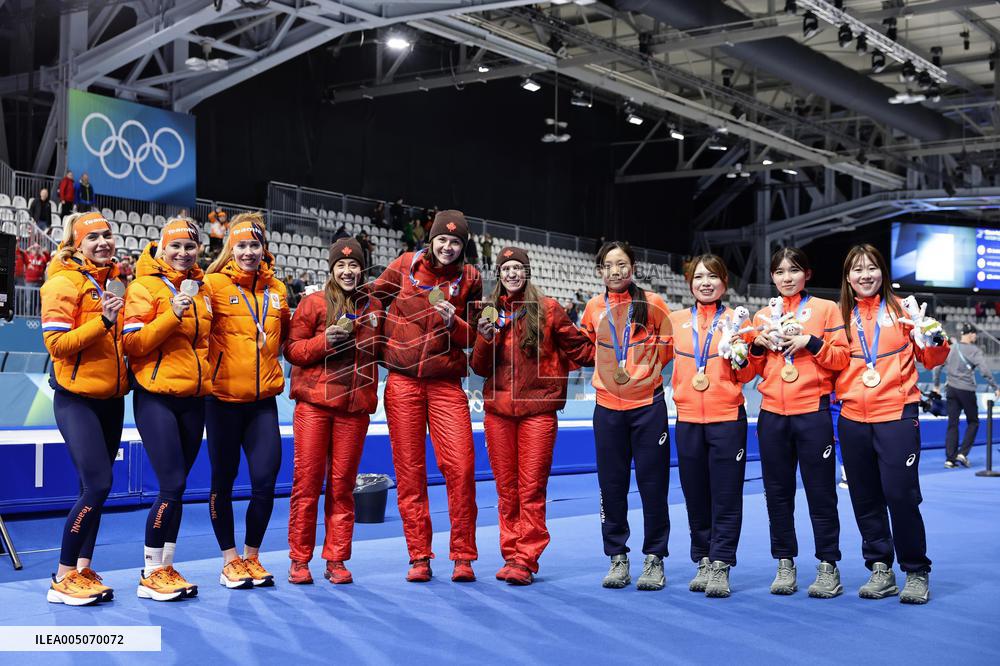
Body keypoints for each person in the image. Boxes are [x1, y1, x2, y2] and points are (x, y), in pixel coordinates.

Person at [370, 210, 482, 583]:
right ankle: (419, 555)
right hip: (403, 384)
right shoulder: (404, 265)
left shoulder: (471, 279)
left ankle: (463, 554)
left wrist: (456, 322)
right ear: (430, 240)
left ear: (463, 246)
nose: (448, 247)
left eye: (455, 242)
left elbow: (475, 339)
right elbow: (372, 301)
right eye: (442, 240)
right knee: (409, 471)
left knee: (462, 468)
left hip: (446, 383)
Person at [472, 247, 594, 585]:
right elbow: (479, 367)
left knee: (531, 487)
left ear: (527, 272)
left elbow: (581, 350)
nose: (511, 274)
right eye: (506, 268)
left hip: (538, 411)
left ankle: (526, 558)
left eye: (517, 268)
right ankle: (510, 553)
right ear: (499, 274)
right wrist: (483, 339)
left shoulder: (549, 309)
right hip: (498, 412)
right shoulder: (488, 311)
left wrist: (616, 350)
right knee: (506, 489)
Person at [836, 244, 949, 604]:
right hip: (852, 418)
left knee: (900, 495)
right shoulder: (840, 316)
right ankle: (880, 568)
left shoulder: (904, 310)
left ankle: (916, 570)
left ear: (882, 271)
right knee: (864, 497)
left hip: (897, 415)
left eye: (871, 267)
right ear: (848, 277)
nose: (865, 274)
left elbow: (931, 359)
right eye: (857, 269)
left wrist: (932, 335)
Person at [748, 247, 850, 598]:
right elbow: (749, 371)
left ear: (807, 273)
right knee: (777, 495)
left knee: (821, 494)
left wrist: (812, 341)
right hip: (772, 414)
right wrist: (756, 348)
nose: (786, 277)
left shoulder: (826, 309)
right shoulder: (762, 315)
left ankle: (827, 565)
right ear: (773, 277)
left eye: (793, 270)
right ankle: (785, 562)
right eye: (779, 271)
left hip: (813, 412)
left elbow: (841, 359)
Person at [123, 219, 213, 602]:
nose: (182, 253)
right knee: (171, 485)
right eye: (175, 246)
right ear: (160, 247)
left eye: (190, 247)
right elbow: (134, 344)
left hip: (194, 398)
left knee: (178, 488)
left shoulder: (204, 288)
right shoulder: (142, 286)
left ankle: (167, 565)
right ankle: (150, 571)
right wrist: (172, 314)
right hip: (156, 397)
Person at [41, 211, 128, 606]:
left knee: (90, 488)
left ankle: (82, 568)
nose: (103, 242)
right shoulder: (61, 281)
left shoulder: (113, 282)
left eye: (107, 235)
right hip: (76, 401)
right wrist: (104, 322)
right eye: (93, 237)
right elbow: (57, 346)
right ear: (77, 245)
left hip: (111, 401)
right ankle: (62, 576)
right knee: (99, 485)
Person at [285, 238, 384, 585]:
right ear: (331, 269)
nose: (347, 270)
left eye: (354, 265)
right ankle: (299, 559)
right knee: (307, 483)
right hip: (314, 406)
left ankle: (337, 558)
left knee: (342, 487)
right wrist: (324, 342)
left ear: (362, 269)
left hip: (354, 410)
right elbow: (293, 350)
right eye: (341, 266)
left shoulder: (374, 308)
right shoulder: (312, 303)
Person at [579, 241, 673, 591]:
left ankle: (655, 558)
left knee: (653, 485)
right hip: (607, 408)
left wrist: (642, 376)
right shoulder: (593, 307)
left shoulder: (653, 304)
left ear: (632, 266)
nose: (615, 271)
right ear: (600, 270)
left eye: (621, 264)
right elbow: (587, 347)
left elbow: (666, 349)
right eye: (608, 265)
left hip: (648, 408)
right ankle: (617, 556)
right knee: (611, 486)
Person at [204, 213, 291, 590]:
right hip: (222, 400)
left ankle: (252, 557)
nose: (249, 252)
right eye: (241, 245)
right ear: (230, 249)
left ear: (264, 248)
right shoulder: (211, 285)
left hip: (262, 403)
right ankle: (229, 560)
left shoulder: (278, 291)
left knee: (265, 481)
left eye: (255, 245)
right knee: (222, 483)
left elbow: (284, 340)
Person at [668, 254, 757, 598]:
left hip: (727, 418)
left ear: (725, 283)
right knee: (695, 494)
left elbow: (748, 373)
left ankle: (721, 563)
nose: (705, 283)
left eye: (713, 277)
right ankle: (702, 559)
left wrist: (740, 356)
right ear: (689, 282)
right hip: (688, 417)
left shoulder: (737, 320)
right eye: (699, 277)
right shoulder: (676, 320)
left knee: (726, 494)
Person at [933, 323, 1000, 468]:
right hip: (966, 390)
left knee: (952, 423)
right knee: (973, 422)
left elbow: (937, 366)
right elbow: (985, 371)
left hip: (951, 389)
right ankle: (962, 453)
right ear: (970, 334)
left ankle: (950, 459)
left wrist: (936, 386)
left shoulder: (950, 348)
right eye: (975, 334)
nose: (976, 336)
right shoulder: (974, 351)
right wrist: (995, 387)